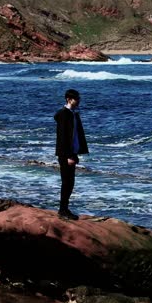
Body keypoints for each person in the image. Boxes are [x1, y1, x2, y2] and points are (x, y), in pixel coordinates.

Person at [54, 89, 88, 220]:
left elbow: (74, 136)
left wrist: (75, 153)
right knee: (67, 182)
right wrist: (68, 155)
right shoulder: (64, 114)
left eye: (79, 98)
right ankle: (63, 210)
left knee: (70, 182)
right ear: (69, 99)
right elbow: (62, 137)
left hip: (71, 152)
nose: (78, 101)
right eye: (76, 99)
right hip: (65, 154)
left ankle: (64, 208)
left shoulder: (73, 114)